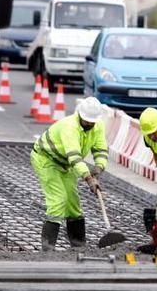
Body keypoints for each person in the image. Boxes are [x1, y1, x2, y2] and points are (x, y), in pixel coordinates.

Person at [31, 97, 106, 251]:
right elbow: (74, 157)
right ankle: (48, 248)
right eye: (87, 121)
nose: (90, 124)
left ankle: (78, 246)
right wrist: (89, 178)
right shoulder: (69, 126)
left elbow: (100, 149)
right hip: (47, 160)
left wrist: (99, 168)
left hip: (66, 164)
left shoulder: (98, 126)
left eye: (93, 122)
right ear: (80, 116)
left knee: (73, 203)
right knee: (58, 200)